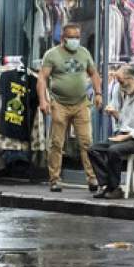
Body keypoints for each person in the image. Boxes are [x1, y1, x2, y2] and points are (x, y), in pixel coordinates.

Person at [38, 23, 103, 193]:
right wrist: (43, 100)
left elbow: (94, 73)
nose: (74, 40)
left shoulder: (84, 53)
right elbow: (42, 78)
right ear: (63, 38)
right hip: (59, 103)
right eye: (71, 37)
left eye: (77, 37)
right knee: (57, 143)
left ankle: (92, 177)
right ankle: (55, 179)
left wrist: (98, 93)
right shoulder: (52, 55)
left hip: (81, 103)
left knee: (87, 142)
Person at [88, 64, 134, 199]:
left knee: (114, 150)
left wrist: (125, 137)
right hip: (126, 136)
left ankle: (114, 188)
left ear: (131, 78)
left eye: (121, 81)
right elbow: (124, 122)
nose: (120, 85)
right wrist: (115, 115)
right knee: (93, 149)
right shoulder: (129, 94)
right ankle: (108, 184)